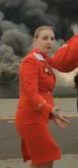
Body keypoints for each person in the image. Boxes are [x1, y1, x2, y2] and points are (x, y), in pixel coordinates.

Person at [16, 26, 70, 168]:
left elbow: (45, 93)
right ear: (35, 40)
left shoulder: (43, 61)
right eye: (45, 38)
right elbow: (31, 94)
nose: (49, 42)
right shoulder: (31, 61)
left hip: (39, 117)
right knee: (46, 159)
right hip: (30, 118)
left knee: (42, 161)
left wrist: (52, 115)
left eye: (52, 38)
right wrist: (51, 110)